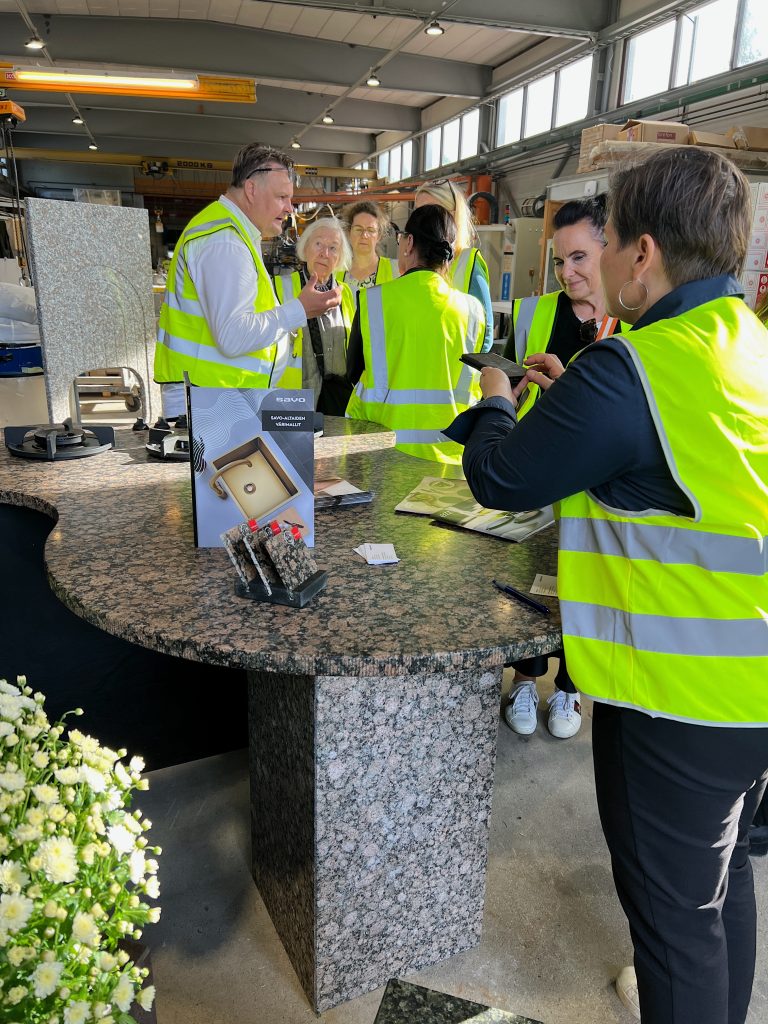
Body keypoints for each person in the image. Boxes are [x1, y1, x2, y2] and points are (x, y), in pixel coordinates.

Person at [445, 146, 768, 1024]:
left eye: (612, 239)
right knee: (718, 884)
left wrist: (497, 395)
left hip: (679, 698)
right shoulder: (745, 344)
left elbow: (502, 477)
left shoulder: (635, 368)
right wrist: (575, 402)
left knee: (673, 925)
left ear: (644, 252)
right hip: (750, 692)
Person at [503, 196, 628, 741]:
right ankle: (525, 679)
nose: (567, 271)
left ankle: (570, 687)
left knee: (585, 585)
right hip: (543, 470)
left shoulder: (631, 323)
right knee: (533, 580)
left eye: (579, 257)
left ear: (610, 250)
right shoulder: (534, 313)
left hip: (599, 485)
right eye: (559, 260)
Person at [154, 142, 341, 418]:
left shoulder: (232, 233)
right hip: (211, 404)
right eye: (282, 197)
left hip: (217, 399)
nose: (290, 208)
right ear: (251, 189)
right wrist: (299, 310)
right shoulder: (225, 241)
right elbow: (233, 335)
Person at [345, 203, 485, 464]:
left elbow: (353, 371)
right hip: (451, 455)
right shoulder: (473, 310)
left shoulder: (373, 301)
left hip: (382, 450)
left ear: (408, 243)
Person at [273, 216, 355, 415]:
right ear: (306, 247)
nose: (324, 253)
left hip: (336, 401)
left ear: (340, 257)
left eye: (333, 248)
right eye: (318, 244)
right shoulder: (279, 287)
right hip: (291, 399)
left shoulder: (347, 294)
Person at [414, 179, 494, 351]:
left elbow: (484, 335)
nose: (423, 223)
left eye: (433, 213)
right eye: (419, 214)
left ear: (453, 215)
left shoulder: (468, 264)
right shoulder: (412, 263)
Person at [338, 200, 399, 293]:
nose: (364, 235)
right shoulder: (336, 270)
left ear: (379, 236)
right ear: (349, 232)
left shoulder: (396, 270)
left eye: (371, 230)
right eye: (358, 229)